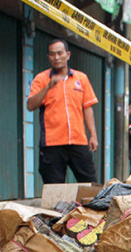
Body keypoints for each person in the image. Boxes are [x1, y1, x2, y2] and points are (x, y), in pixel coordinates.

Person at [27, 39, 98, 184]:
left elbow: (87, 107)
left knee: (90, 184)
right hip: (52, 144)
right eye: (52, 54)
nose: (57, 57)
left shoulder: (81, 78)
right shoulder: (41, 79)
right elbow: (30, 105)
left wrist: (93, 135)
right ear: (48, 57)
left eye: (60, 53)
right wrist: (48, 86)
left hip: (78, 141)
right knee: (54, 188)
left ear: (68, 54)